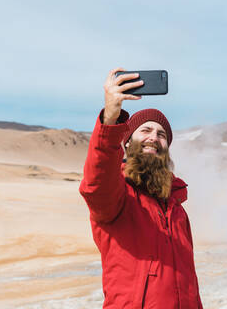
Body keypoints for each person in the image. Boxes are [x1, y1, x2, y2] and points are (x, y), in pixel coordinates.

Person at [79, 68, 203, 308]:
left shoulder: (176, 207)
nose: (154, 137)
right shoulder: (118, 195)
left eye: (162, 134)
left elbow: (189, 282)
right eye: (145, 130)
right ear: (126, 142)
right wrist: (110, 119)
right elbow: (96, 184)